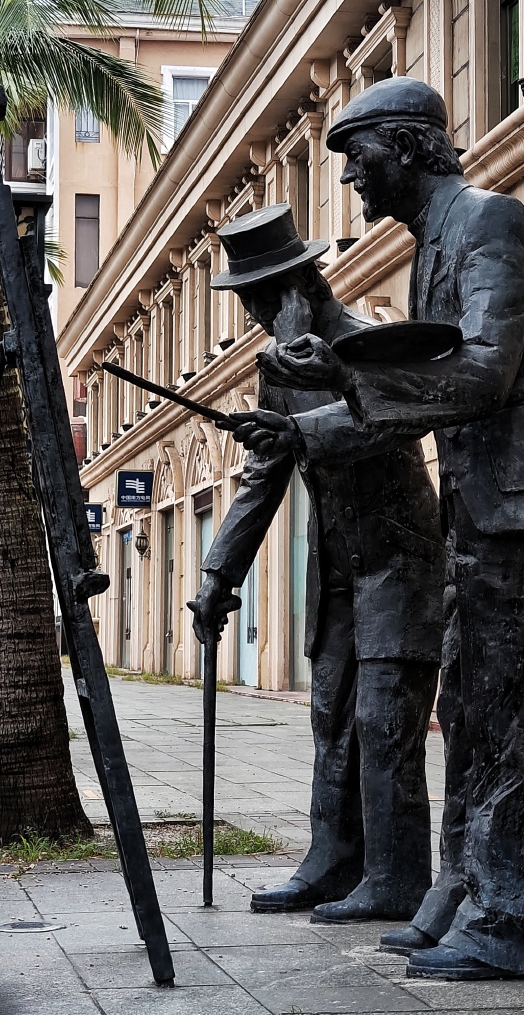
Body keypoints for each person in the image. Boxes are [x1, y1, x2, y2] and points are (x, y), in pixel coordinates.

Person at [263, 77, 524, 980]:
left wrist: (342, 377)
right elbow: (424, 397)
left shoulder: (488, 221)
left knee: (516, 714)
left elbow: (483, 375)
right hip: (488, 509)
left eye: (358, 158)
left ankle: (513, 921)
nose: (352, 181)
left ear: (409, 146)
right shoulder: (434, 242)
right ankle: (460, 889)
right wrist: (305, 421)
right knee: (467, 707)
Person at [189, 203, 444, 922]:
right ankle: (332, 860)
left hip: (399, 558)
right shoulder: (276, 368)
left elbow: (393, 423)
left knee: (385, 721)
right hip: (336, 564)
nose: (251, 318)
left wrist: (308, 404)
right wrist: (217, 575)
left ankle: (395, 877)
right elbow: (261, 478)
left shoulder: (369, 347)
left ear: (296, 288)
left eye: (256, 301)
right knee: (331, 718)